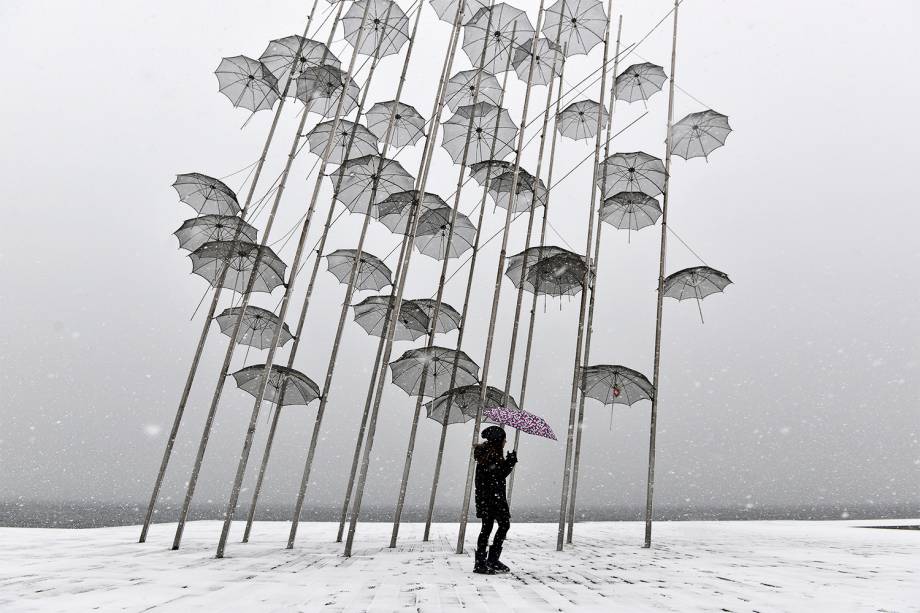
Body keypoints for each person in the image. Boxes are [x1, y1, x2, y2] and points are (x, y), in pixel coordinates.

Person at [473, 425, 517, 575]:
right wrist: (510, 462)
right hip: (492, 498)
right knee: (499, 526)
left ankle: (486, 560)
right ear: (498, 441)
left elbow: (496, 473)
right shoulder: (490, 455)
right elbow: (497, 475)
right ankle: (486, 561)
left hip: (489, 498)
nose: (505, 442)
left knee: (489, 528)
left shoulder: (490, 454)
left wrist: (508, 462)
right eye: (504, 440)